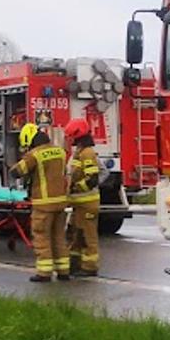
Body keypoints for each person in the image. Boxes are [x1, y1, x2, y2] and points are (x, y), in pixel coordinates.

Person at [10, 123, 70, 283]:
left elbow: (16, 172)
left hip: (43, 204)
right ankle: (64, 271)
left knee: (42, 237)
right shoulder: (60, 151)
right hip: (61, 202)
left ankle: (44, 273)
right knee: (59, 237)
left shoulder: (35, 154)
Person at [63, 119, 102, 277]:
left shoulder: (87, 153)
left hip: (87, 204)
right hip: (79, 204)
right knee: (75, 234)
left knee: (87, 236)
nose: (69, 139)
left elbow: (92, 179)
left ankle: (90, 267)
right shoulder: (79, 152)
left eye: (70, 136)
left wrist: (75, 188)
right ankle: (75, 264)